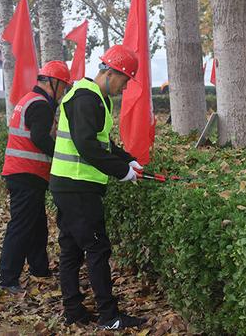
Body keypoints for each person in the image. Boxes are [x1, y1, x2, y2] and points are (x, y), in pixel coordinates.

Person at [49, 45, 146, 329]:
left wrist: (128, 160)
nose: (125, 87)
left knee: (71, 249)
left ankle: (74, 310)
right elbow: (87, 146)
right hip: (78, 185)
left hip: (70, 184)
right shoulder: (85, 98)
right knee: (97, 248)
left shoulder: (96, 98)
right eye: (125, 81)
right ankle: (109, 316)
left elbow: (102, 143)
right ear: (111, 72)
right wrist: (121, 172)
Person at [0, 61, 72, 294]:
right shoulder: (41, 106)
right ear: (53, 83)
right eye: (63, 88)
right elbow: (40, 138)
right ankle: (7, 277)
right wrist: (62, 155)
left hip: (24, 174)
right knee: (20, 226)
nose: (63, 93)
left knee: (36, 224)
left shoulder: (29, 99)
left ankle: (39, 268)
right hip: (26, 173)